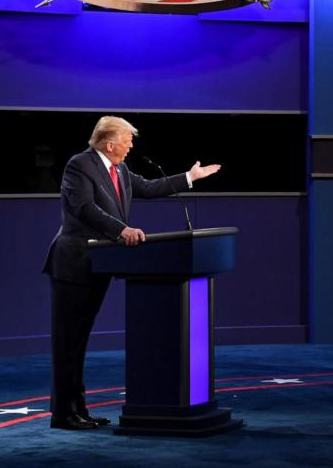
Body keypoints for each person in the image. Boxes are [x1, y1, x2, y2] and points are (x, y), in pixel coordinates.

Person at [44, 116, 221, 430]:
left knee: (80, 341)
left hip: (98, 264)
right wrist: (121, 230)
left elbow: (150, 187)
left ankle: (78, 409)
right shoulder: (79, 165)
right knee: (68, 342)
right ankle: (63, 413)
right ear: (110, 143)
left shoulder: (121, 170)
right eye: (127, 140)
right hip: (73, 263)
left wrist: (189, 178)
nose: (131, 146)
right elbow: (85, 208)